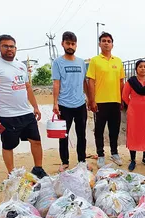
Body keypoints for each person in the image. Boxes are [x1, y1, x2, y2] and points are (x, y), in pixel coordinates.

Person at [0, 34, 47, 178]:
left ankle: (38, 169)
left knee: (36, 141)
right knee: (8, 145)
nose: (9, 49)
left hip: (26, 112)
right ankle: (11, 174)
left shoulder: (20, 65)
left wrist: (35, 107)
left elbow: (27, 87)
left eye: (12, 46)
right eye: (5, 46)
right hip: (6, 115)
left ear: (15, 48)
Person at [52, 31, 89, 172]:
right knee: (63, 135)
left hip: (80, 104)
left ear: (76, 45)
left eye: (73, 44)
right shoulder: (57, 62)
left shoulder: (81, 62)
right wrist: (55, 103)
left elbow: (84, 82)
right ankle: (65, 161)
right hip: (64, 105)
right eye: (68, 43)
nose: (70, 46)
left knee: (82, 135)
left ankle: (82, 161)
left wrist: (90, 99)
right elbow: (56, 83)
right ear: (62, 44)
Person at [86, 32, 125, 168]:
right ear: (99, 44)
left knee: (114, 129)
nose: (106, 43)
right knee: (99, 130)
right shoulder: (95, 61)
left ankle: (114, 153)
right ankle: (100, 155)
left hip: (115, 101)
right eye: (104, 41)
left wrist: (122, 99)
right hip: (100, 102)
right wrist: (92, 100)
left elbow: (121, 82)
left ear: (112, 44)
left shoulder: (118, 61)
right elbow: (91, 81)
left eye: (109, 41)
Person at [122, 60, 145, 171]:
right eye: (140, 67)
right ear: (136, 69)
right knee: (134, 134)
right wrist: (132, 105)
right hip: (134, 113)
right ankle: (133, 160)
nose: (143, 69)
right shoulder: (131, 82)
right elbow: (125, 96)